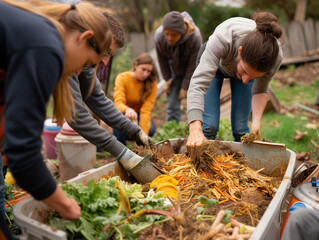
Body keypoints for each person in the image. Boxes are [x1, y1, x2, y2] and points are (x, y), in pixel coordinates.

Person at [0, 0, 112, 237]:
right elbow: (23, 159)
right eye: (88, 62)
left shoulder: (35, 31)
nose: (80, 71)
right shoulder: (45, 46)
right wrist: (65, 205)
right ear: (84, 36)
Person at [67, 13, 155, 171]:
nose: (105, 62)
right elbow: (75, 114)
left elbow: (96, 97)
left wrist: (135, 131)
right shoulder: (63, 51)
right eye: (106, 52)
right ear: (89, 36)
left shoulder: (86, 55)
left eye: (111, 55)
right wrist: (119, 150)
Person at [187, 12, 283, 146]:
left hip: (244, 64)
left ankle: (243, 163)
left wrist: (256, 125)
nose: (245, 80)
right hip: (216, 65)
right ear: (240, 51)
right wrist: (195, 129)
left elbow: (260, 89)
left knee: (241, 129)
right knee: (209, 126)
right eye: (245, 72)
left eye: (253, 77)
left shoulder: (273, 57)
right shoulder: (224, 37)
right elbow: (198, 84)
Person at [154, 11, 202, 123]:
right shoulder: (159, 36)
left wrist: (185, 87)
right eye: (167, 34)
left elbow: (192, 64)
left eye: (173, 34)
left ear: (182, 32)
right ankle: (172, 129)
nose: (169, 38)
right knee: (172, 105)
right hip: (173, 72)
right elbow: (162, 60)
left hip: (192, 72)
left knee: (196, 103)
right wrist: (167, 80)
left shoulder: (195, 37)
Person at [113, 53, 157, 146]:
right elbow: (118, 102)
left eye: (148, 71)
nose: (145, 74)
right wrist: (127, 109)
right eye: (143, 69)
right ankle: (121, 151)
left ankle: (139, 149)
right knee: (119, 126)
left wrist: (143, 135)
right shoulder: (123, 78)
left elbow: (146, 110)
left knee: (151, 130)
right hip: (123, 112)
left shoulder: (152, 84)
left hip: (139, 114)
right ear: (135, 65)